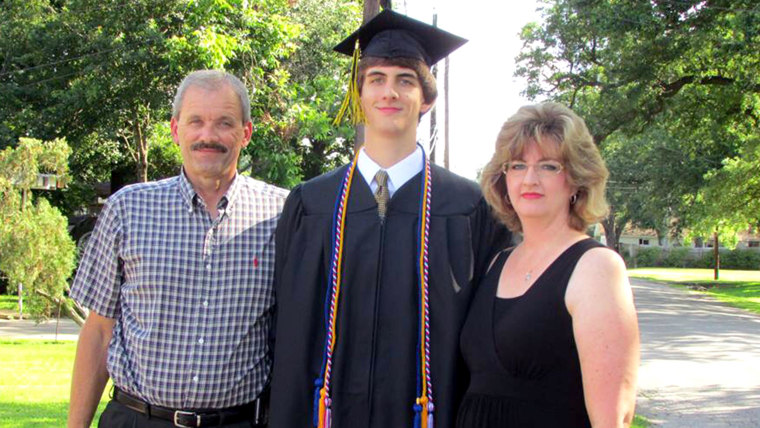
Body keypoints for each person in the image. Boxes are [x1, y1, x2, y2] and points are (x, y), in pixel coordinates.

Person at [268, 9, 510, 428]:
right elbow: (283, 327)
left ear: (427, 99)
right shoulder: (310, 204)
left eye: (405, 80)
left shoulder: (470, 207)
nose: (389, 92)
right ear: (358, 95)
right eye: (376, 79)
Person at [67, 70, 287, 428]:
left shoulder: (282, 215)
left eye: (224, 123)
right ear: (175, 129)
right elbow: (98, 333)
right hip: (137, 419)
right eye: (196, 121)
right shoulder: (127, 209)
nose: (208, 135)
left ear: (245, 133)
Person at [456, 103, 640, 428]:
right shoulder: (497, 262)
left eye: (549, 166)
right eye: (516, 166)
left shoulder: (596, 268)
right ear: (503, 178)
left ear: (576, 180)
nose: (529, 179)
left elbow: (614, 418)